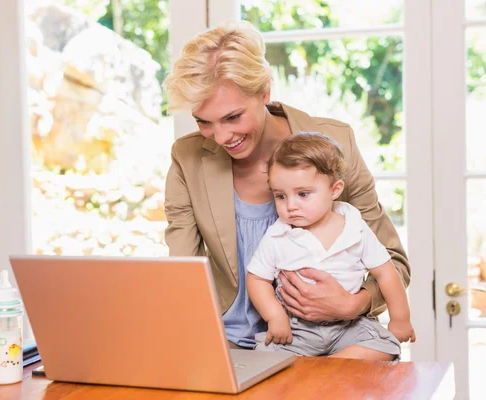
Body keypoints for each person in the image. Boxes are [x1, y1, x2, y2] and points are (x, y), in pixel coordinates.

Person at [162, 20, 411, 357]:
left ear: (264, 92)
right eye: (204, 121)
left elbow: (393, 261)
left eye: (233, 117)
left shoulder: (336, 144)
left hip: (337, 338)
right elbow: (183, 272)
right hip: (228, 342)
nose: (221, 137)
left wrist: (352, 305)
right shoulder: (187, 157)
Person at [246, 132, 415, 359]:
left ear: (334, 190)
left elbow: (386, 273)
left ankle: (330, 366)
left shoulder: (355, 227)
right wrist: (275, 316)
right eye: (280, 196)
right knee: (266, 358)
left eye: (303, 194)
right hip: (297, 329)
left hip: (349, 326)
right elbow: (257, 278)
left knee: (386, 346)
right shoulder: (278, 235)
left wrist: (400, 318)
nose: (290, 206)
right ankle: (323, 370)